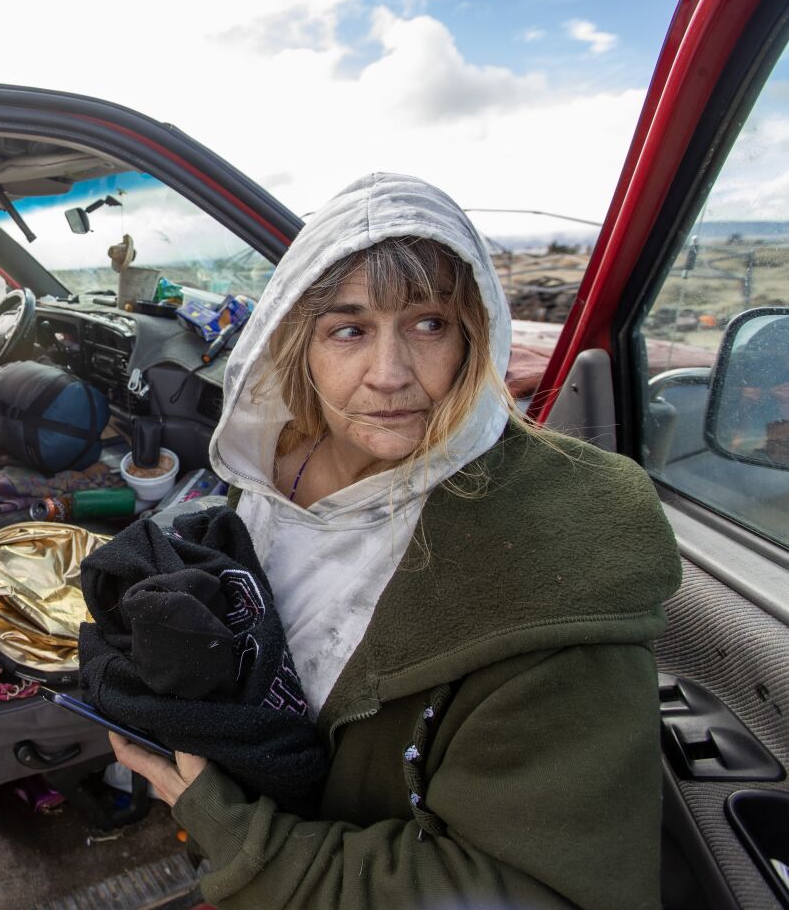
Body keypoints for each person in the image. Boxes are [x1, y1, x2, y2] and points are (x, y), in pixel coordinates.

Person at [109, 173, 681, 909]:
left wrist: (247, 839)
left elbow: (540, 893)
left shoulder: (560, 573)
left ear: (475, 333)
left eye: (429, 324)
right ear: (298, 345)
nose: (389, 375)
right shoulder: (282, 457)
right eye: (348, 330)